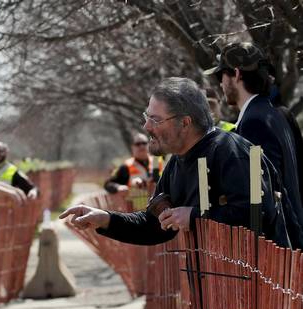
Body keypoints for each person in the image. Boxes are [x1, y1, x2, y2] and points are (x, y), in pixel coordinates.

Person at [60, 77, 302, 249]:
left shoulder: (232, 152)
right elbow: (154, 225)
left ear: (185, 123)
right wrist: (105, 218)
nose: (146, 127)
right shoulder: (177, 162)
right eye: (147, 117)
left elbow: (256, 213)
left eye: (155, 119)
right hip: (219, 294)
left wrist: (195, 217)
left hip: (260, 292)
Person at [204, 42, 303, 224]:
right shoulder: (281, 114)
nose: (220, 83)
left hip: (275, 244)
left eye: (222, 75)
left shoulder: (254, 123)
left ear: (237, 74)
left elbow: (261, 197)